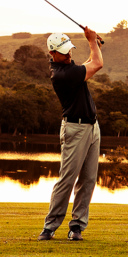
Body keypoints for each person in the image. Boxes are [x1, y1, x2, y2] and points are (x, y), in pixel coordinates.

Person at [37, 27, 103, 241]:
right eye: (64, 52)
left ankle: (76, 227)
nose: (69, 54)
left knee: (88, 179)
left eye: (69, 49)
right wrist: (92, 42)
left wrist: (94, 45)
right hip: (75, 129)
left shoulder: (71, 69)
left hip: (92, 128)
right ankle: (50, 227)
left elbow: (89, 64)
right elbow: (97, 64)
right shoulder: (62, 75)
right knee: (67, 179)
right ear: (52, 53)